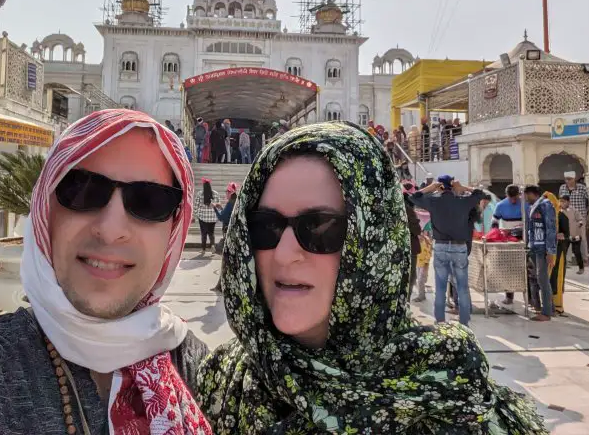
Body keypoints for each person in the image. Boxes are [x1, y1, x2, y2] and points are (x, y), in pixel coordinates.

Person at [0, 109, 212, 434]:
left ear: (174, 230)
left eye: (149, 201)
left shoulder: (196, 368)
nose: (110, 230)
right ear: (46, 214)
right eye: (82, 190)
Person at [196, 121, 547, 434]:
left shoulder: (452, 396)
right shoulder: (220, 380)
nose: (285, 254)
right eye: (265, 226)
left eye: (319, 227)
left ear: (375, 242)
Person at [408, 174, 484, 326]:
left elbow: (412, 198)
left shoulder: (433, 201)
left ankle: (440, 321)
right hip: (460, 246)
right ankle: (464, 322)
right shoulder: (463, 201)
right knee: (461, 285)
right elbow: (481, 194)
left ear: (440, 187)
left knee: (441, 285)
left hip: (441, 246)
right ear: (452, 185)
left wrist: (430, 188)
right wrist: (462, 187)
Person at [525, 185, 557, 322]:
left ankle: (546, 313)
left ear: (532, 194)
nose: (524, 199)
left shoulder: (545, 205)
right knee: (540, 279)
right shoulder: (534, 206)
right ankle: (550, 309)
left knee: (543, 279)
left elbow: (550, 228)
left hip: (543, 247)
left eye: (526, 195)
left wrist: (551, 251)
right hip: (535, 247)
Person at [491, 184, 525, 305]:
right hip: (508, 242)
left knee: (526, 270)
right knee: (508, 269)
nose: (513, 200)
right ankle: (509, 296)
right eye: (511, 198)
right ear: (506, 196)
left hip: (523, 241)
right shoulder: (500, 205)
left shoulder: (524, 204)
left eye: (515, 197)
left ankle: (530, 300)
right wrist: (496, 234)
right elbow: (494, 222)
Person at [546, 192, 569, 316]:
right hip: (545, 253)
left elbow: (566, 235)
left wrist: (560, 237)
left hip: (558, 254)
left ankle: (557, 306)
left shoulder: (561, 217)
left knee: (556, 279)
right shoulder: (543, 216)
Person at [559, 170, 589, 255]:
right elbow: (560, 202)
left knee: (582, 238)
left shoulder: (582, 188)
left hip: (580, 217)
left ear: (574, 179)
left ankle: (584, 258)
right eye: (566, 179)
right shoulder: (562, 188)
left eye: (569, 179)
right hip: (566, 217)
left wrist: (587, 213)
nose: (567, 181)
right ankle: (567, 260)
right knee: (567, 238)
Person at [560, 195, 585, 274]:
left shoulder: (574, 210)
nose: (562, 203)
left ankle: (581, 268)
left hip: (575, 235)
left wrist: (579, 225)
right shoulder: (559, 211)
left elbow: (581, 220)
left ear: (568, 202)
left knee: (577, 252)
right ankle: (562, 268)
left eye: (564, 201)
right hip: (565, 236)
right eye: (561, 201)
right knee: (563, 252)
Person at [194, 178, 219, 256]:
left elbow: (196, 206)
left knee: (203, 233)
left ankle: (203, 250)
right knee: (211, 233)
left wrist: (196, 215)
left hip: (203, 217)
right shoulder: (215, 193)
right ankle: (212, 246)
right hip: (212, 218)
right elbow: (218, 205)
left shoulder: (200, 194)